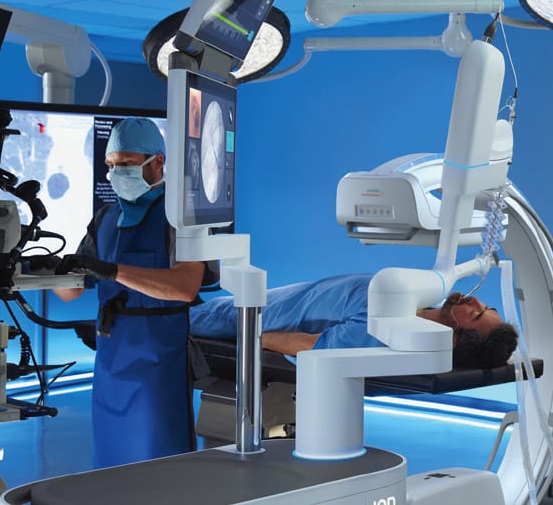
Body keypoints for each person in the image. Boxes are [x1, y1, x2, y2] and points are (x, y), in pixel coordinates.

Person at [51, 117, 215, 469]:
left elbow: (185, 287)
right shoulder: (105, 219)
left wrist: (112, 271)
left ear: (157, 162)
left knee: (156, 462)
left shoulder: (180, 217)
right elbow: (68, 293)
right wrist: (46, 270)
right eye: (110, 165)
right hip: (111, 360)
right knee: (111, 462)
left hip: (157, 359)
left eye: (125, 163)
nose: (115, 173)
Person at [189, 273, 519, 368]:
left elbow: (313, 347)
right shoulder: (420, 299)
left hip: (228, 315)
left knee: (170, 310)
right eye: (485, 305)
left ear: (453, 337)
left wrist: (251, 336)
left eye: (475, 313)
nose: (474, 300)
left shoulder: (382, 330)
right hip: (250, 301)